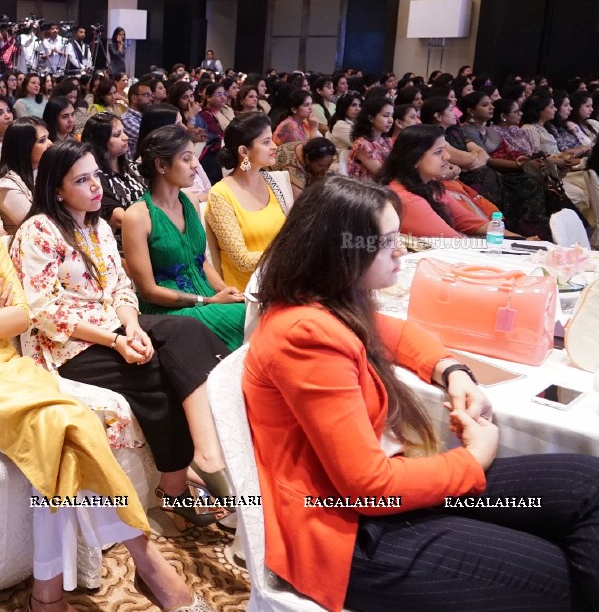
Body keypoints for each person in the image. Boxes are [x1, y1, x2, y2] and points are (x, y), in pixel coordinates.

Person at [0, 138, 205, 612]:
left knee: (71, 426)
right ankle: (146, 560)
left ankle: (46, 594)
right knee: (63, 426)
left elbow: (24, 316)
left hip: (1, 367)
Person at [245, 175, 599, 612]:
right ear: (341, 250)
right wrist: (472, 458)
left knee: (589, 484)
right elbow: (368, 489)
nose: (401, 250)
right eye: (387, 240)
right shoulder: (305, 334)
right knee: (553, 572)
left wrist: (453, 370)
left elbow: (398, 333)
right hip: (346, 532)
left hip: (380, 498)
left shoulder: (329, 302)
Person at [11, 139, 235, 527]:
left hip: (112, 324)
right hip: (65, 347)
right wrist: (116, 340)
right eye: (82, 180)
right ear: (56, 189)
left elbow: (120, 288)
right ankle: (175, 489)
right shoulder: (38, 231)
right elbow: (43, 311)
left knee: (188, 333)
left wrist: (132, 326)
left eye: (95, 175)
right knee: (161, 374)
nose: (96, 186)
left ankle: (205, 454)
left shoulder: (96, 226)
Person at [121, 126, 246, 352]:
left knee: (255, 308)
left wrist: (226, 291)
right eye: (186, 158)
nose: (196, 165)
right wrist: (208, 301)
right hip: (168, 309)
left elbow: (200, 260)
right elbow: (148, 290)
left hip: (205, 299)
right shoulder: (138, 216)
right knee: (247, 318)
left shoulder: (190, 201)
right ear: (161, 165)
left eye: (194, 157)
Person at [377, 125, 513, 239]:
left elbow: (472, 223)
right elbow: (455, 242)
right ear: (414, 159)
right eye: (438, 152)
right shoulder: (406, 199)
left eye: (445, 150)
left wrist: (523, 240)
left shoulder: (431, 186)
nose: (447, 156)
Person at [205, 113, 287, 292]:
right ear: (244, 151)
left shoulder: (272, 182)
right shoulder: (221, 195)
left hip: (282, 278)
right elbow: (241, 260)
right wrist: (289, 254)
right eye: (266, 142)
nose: (274, 147)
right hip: (249, 291)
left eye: (271, 140)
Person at [81, 111, 146, 240]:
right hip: (124, 241)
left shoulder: (133, 167)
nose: (125, 137)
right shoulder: (96, 178)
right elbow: (119, 219)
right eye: (117, 135)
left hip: (147, 230)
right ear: (100, 142)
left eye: (123, 131)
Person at [0, 117, 49, 234]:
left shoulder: (43, 170)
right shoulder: (6, 186)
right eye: (42, 141)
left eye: (48, 138)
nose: (50, 144)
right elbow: (35, 228)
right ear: (24, 147)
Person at [347, 96, 394, 180]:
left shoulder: (385, 141)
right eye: (386, 116)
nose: (391, 120)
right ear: (371, 118)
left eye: (392, 115)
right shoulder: (362, 144)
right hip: (366, 189)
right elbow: (382, 174)